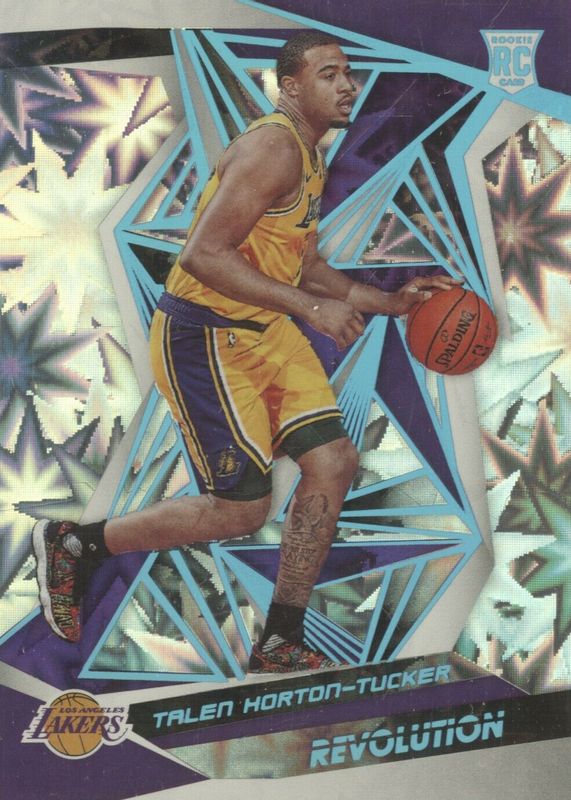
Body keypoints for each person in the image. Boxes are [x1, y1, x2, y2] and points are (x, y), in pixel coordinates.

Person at [33, 30, 458, 673]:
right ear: (290, 87)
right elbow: (202, 256)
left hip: (267, 331)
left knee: (333, 462)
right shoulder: (272, 148)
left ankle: (280, 638)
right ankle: (78, 544)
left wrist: (389, 301)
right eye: (328, 74)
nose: (348, 86)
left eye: (348, 73)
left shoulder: (309, 153)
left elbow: (304, 264)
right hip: (205, 336)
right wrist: (310, 308)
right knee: (240, 511)